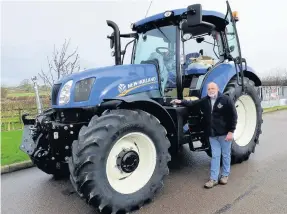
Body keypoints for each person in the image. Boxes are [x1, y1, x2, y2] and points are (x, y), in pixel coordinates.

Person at [171, 82, 238, 189]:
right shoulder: (205, 100)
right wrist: (180, 101)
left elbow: (233, 116)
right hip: (212, 134)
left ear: (217, 89)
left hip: (225, 133)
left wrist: (231, 131)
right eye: (209, 89)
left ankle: (225, 175)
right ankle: (213, 179)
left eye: (213, 88)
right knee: (215, 156)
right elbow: (193, 103)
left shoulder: (226, 100)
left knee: (225, 155)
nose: (211, 90)